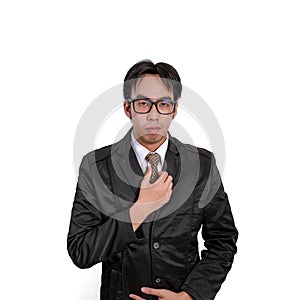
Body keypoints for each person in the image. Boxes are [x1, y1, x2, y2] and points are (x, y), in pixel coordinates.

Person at [67, 60, 238, 300]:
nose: (154, 114)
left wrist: (190, 295)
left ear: (174, 110)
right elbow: (81, 251)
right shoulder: (97, 166)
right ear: (128, 109)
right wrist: (138, 210)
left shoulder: (202, 165)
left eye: (164, 104)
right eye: (144, 103)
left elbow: (223, 242)